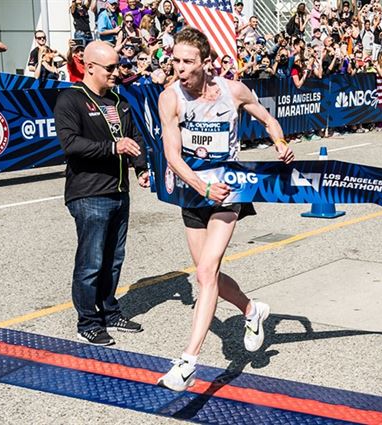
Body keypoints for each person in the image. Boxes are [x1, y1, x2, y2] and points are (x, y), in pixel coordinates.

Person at [156, 27, 294, 392]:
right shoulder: (170, 98)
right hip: (194, 193)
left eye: (188, 62)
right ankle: (252, 310)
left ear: (206, 63)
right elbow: (171, 155)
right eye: (175, 61)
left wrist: (279, 142)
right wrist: (202, 186)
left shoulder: (232, 92)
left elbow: (268, 119)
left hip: (230, 192)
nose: (180, 69)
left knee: (206, 270)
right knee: (208, 276)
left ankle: (188, 362)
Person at [54, 41, 150, 346]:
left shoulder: (119, 101)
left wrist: (141, 167)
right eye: (109, 68)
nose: (115, 72)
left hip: (119, 191)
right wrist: (113, 147)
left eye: (117, 66)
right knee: (91, 261)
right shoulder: (70, 99)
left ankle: (110, 311)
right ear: (89, 66)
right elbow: (71, 145)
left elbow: (134, 137)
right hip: (89, 193)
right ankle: (88, 321)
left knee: (114, 259)